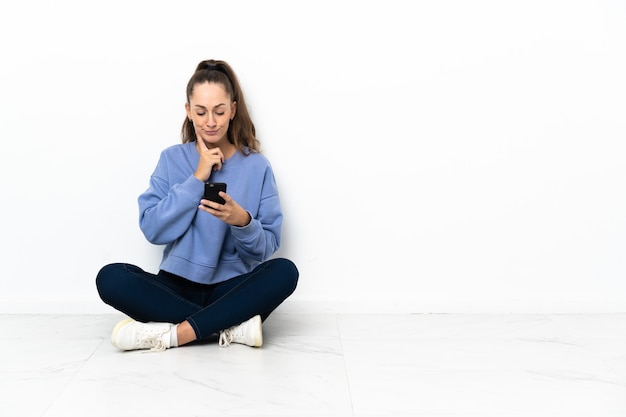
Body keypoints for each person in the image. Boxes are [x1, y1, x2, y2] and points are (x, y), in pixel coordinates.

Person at [96, 59, 299, 352]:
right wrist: (197, 178)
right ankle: (229, 326)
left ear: (232, 108)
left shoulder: (257, 166)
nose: (211, 121)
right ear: (189, 111)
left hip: (233, 287)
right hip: (175, 287)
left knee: (284, 272)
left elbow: (267, 246)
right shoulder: (172, 159)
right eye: (201, 112)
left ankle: (175, 334)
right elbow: (153, 229)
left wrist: (242, 221)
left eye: (219, 111)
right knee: (111, 278)